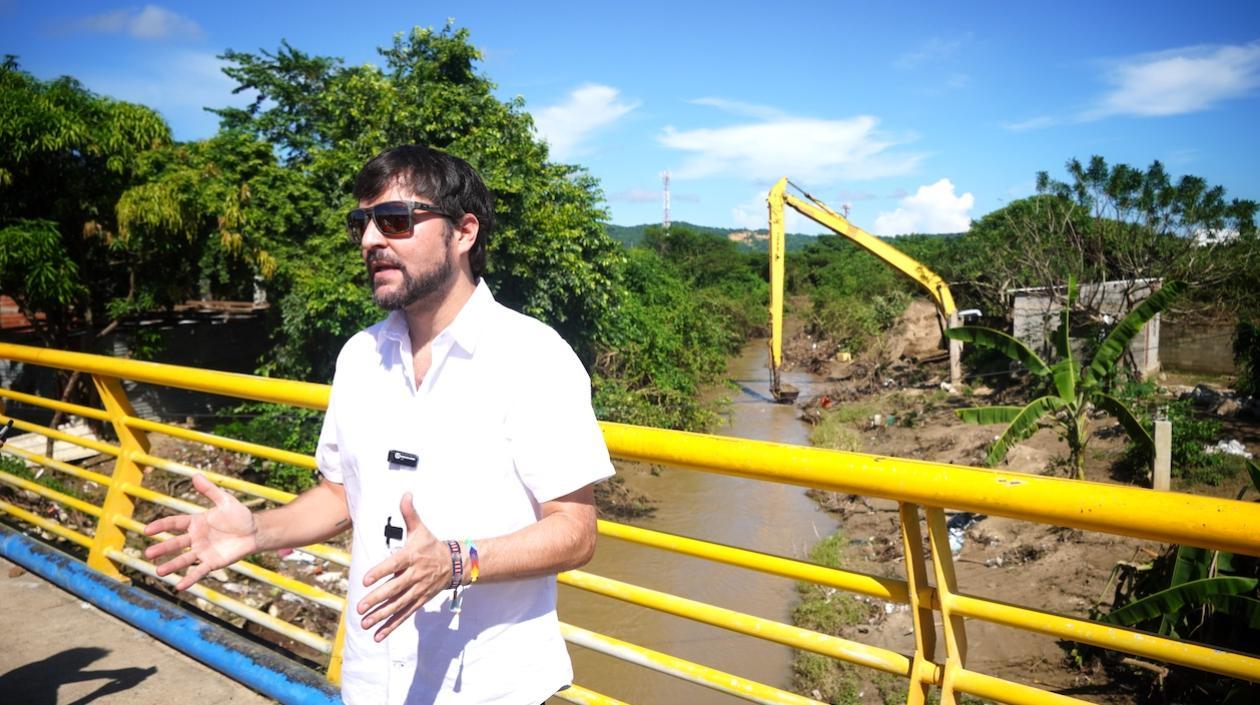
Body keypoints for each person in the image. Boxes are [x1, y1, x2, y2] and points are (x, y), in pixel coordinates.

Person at [144, 145, 614, 705]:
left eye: (395, 220)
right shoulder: (359, 357)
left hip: (489, 683)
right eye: (361, 224)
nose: (370, 241)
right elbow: (342, 496)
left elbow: (575, 531)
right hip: (372, 678)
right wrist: (257, 533)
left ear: (463, 232)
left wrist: (458, 561)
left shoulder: (532, 356)